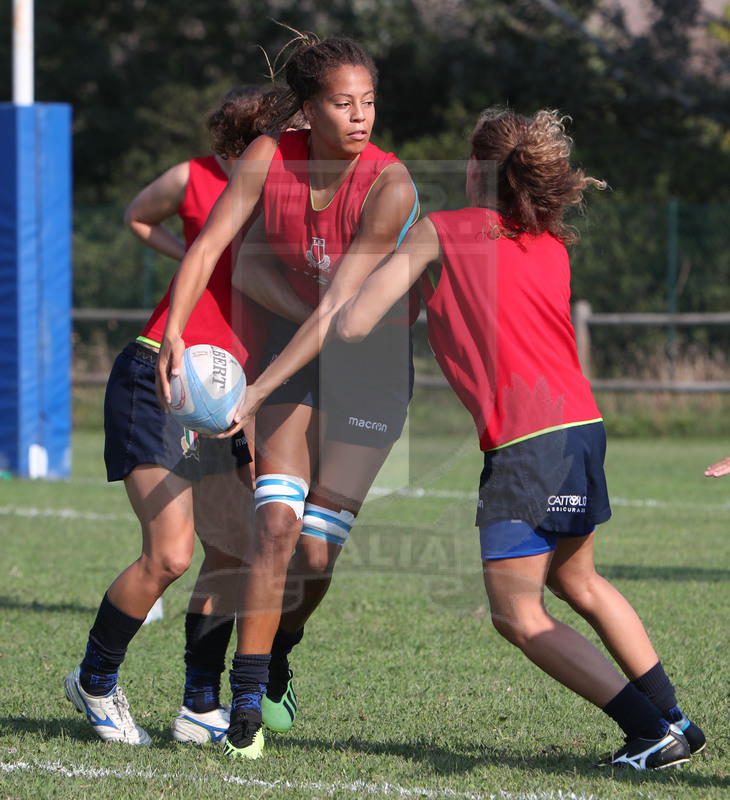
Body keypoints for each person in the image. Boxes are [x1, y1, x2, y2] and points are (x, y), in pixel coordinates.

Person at [337, 107, 705, 770]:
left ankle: (651, 732)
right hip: (582, 428)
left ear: (475, 169)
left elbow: (355, 322)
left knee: (517, 616)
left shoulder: (441, 230)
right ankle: (674, 717)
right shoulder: (550, 244)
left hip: (528, 442)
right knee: (578, 581)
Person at [157, 33, 419, 759]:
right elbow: (211, 246)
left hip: (369, 370)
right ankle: (245, 705)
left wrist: (253, 393)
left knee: (315, 553)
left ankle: (278, 653)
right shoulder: (269, 156)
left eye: (368, 102)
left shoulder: (391, 185)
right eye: (342, 103)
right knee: (274, 524)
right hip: (295, 356)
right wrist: (175, 328)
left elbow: (338, 313)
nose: (359, 116)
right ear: (307, 107)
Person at [64, 85, 311, 746]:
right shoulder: (225, 193)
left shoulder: (285, 209)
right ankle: (94, 679)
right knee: (170, 553)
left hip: (223, 395)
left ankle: (200, 704)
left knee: (231, 552)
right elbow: (157, 227)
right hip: (162, 373)